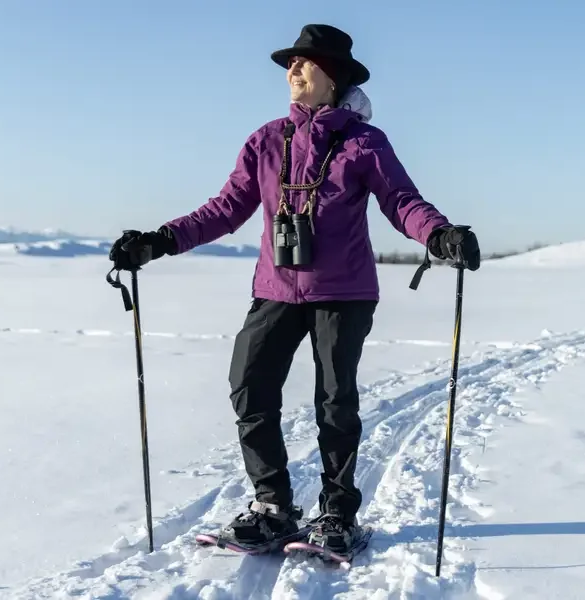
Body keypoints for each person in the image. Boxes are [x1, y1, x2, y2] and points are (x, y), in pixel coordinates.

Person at [107, 23, 481, 555]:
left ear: (333, 77)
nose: (294, 70)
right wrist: (160, 241)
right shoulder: (265, 140)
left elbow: (401, 201)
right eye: (291, 63)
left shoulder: (364, 143)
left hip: (344, 293)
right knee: (249, 382)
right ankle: (272, 505)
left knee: (334, 401)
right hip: (276, 289)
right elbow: (225, 209)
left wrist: (439, 234)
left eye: (306, 62)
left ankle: (337, 514)